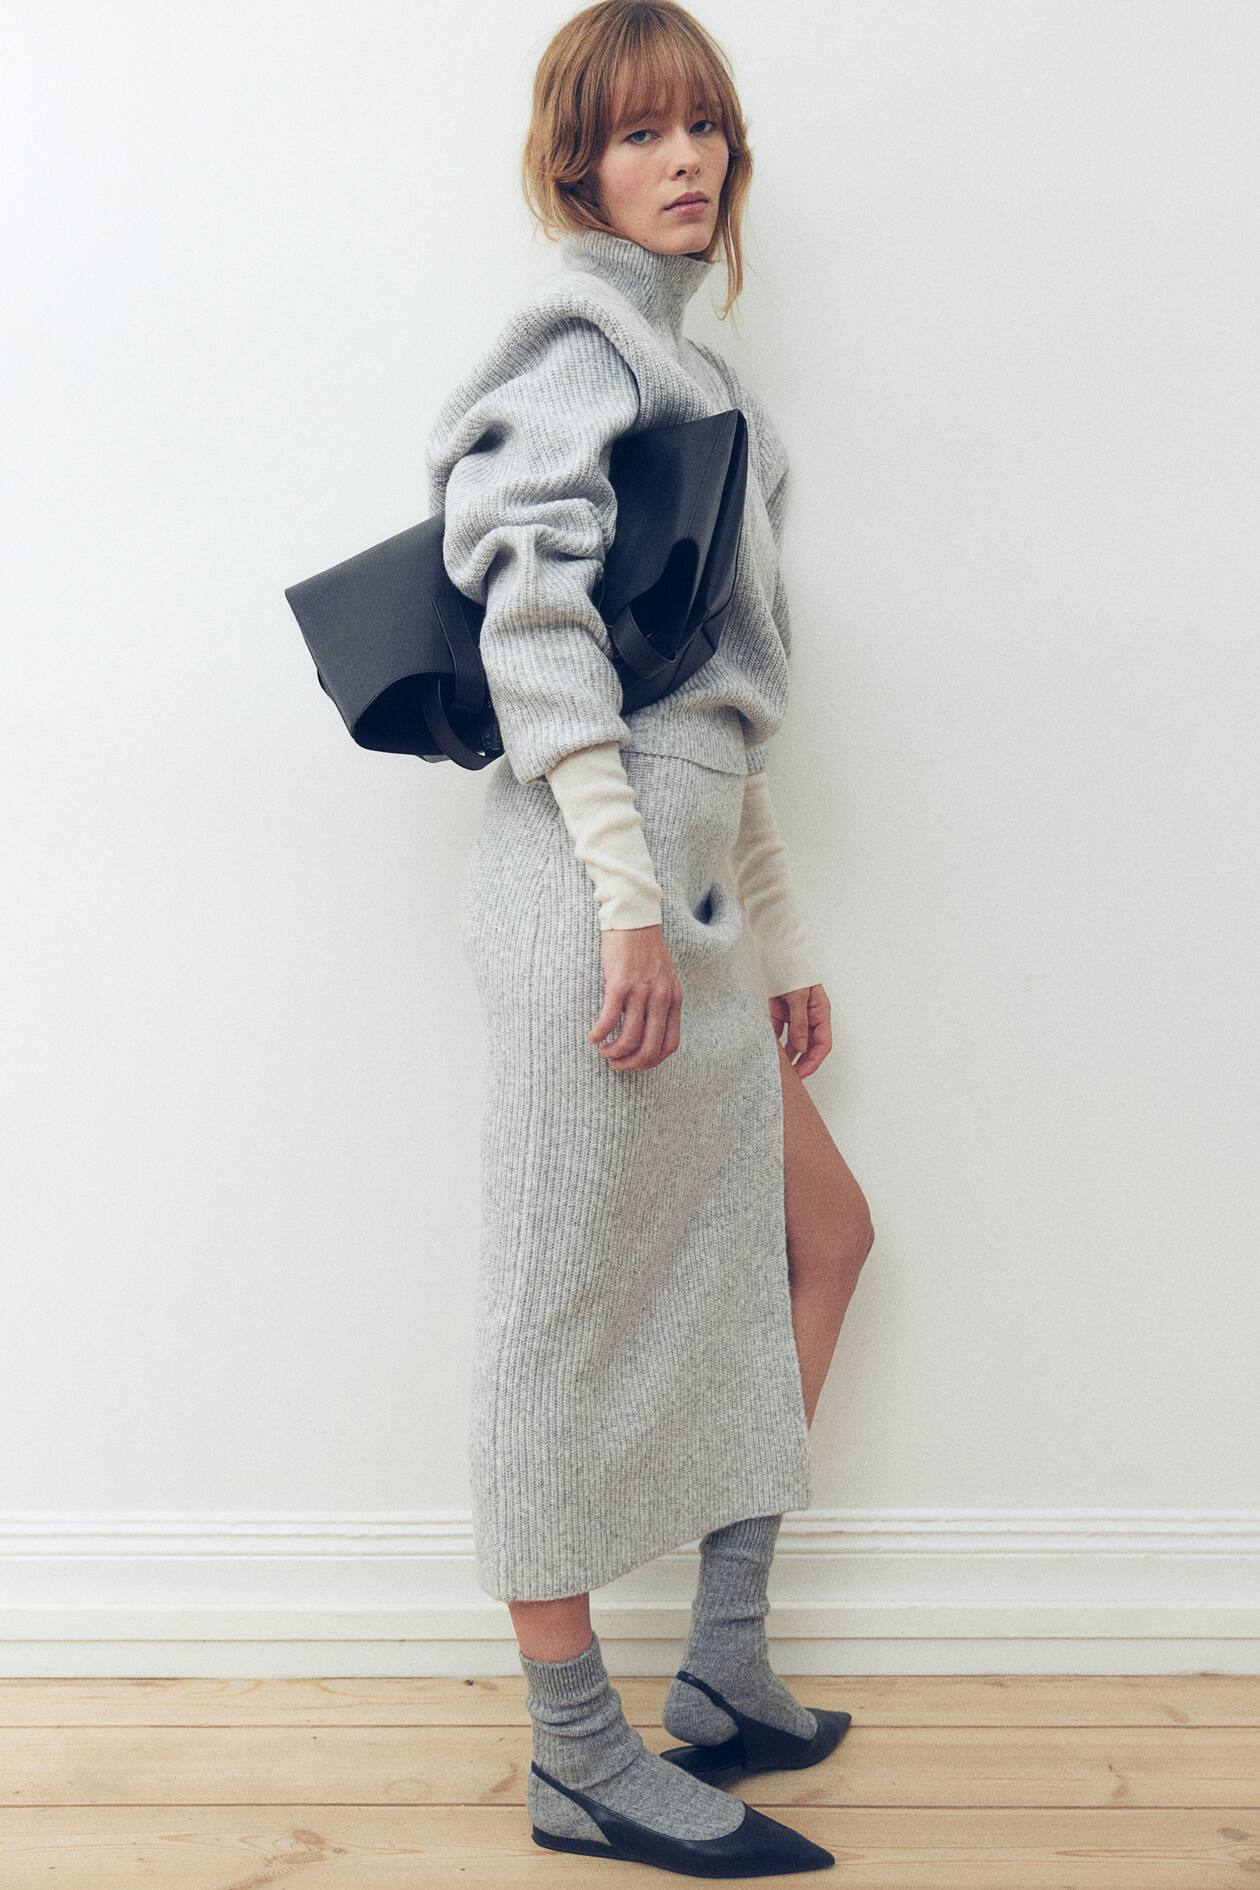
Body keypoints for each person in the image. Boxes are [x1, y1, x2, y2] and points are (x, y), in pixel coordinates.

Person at [425, 1, 875, 1873]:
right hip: (588, 894)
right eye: (639, 134)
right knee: (559, 1310)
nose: (683, 159)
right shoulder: (576, 337)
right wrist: (627, 898)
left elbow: (722, 703)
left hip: (680, 892)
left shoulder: (710, 372)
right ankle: (578, 1752)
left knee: (822, 1236)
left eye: (703, 127)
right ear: (577, 166)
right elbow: (531, 611)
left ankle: (727, 1663)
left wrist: (772, 937)